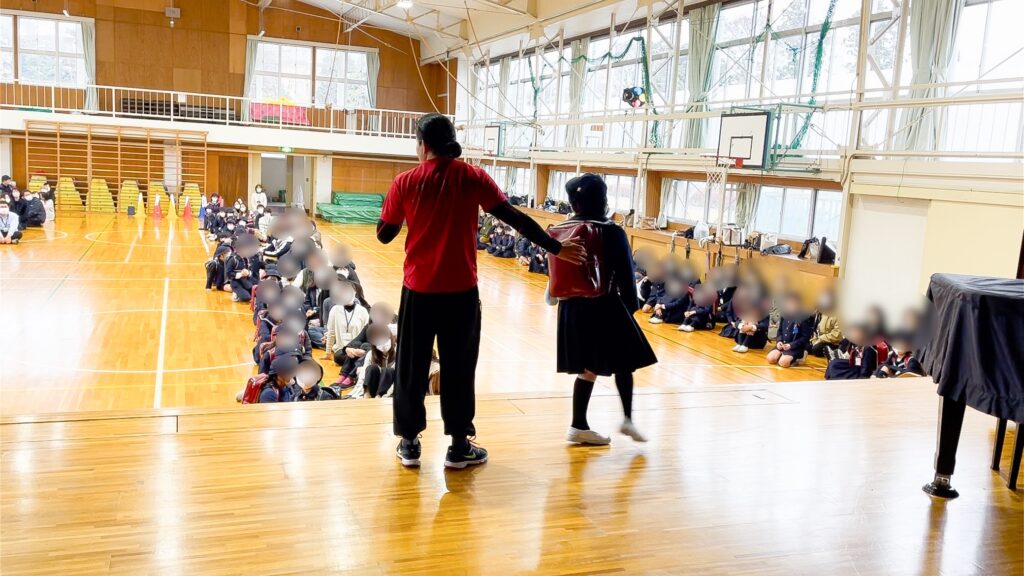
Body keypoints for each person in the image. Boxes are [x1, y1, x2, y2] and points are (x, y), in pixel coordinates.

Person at [376, 113, 585, 469]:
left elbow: (384, 234)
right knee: (459, 367)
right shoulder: (472, 176)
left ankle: (409, 443)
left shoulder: (405, 182)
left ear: (422, 145)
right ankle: (459, 446)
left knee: (411, 367)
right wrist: (555, 247)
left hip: (419, 291)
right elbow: (515, 218)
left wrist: (401, 209)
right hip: (461, 293)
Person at [546, 174, 657, 446]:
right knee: (625, 362)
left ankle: (578, 425)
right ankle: (627, 419)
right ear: (603, 200)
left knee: (587, 368)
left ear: (573, 202)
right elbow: (626, 277)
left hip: (570, 309)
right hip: (604, 305)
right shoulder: (612, 231)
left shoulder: (561, 228)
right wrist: (629, 311)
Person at [324, 280, 370, 386]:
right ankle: (349, 374)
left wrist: (358, 350)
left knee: (360, 347)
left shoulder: (363, 311)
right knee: (337, 356)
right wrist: (327, 352)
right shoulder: (335, 310)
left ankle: (348, 377)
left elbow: (365, 335)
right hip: (344, 350)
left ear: (355, 293)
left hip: (359, 349)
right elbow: (331, 332)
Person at [767, 293, 815, 368]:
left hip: (795, 347)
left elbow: (805, 337)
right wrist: (779, 341)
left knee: (783, 363)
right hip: (783, 345)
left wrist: (791, 345)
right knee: (771, 359)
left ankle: (796, 358)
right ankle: (782, 355)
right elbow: (779, 331)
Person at [362, 323, 397, 398]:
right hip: (373, 390)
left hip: (389, 392)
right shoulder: (370, 354)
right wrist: (361, 394)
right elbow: (363, 375)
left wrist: (385, 396)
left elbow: (398, 380)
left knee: (388, 371)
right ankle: (367, 395)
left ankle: (379, 395)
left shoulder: (399, 353)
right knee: (371, 368)